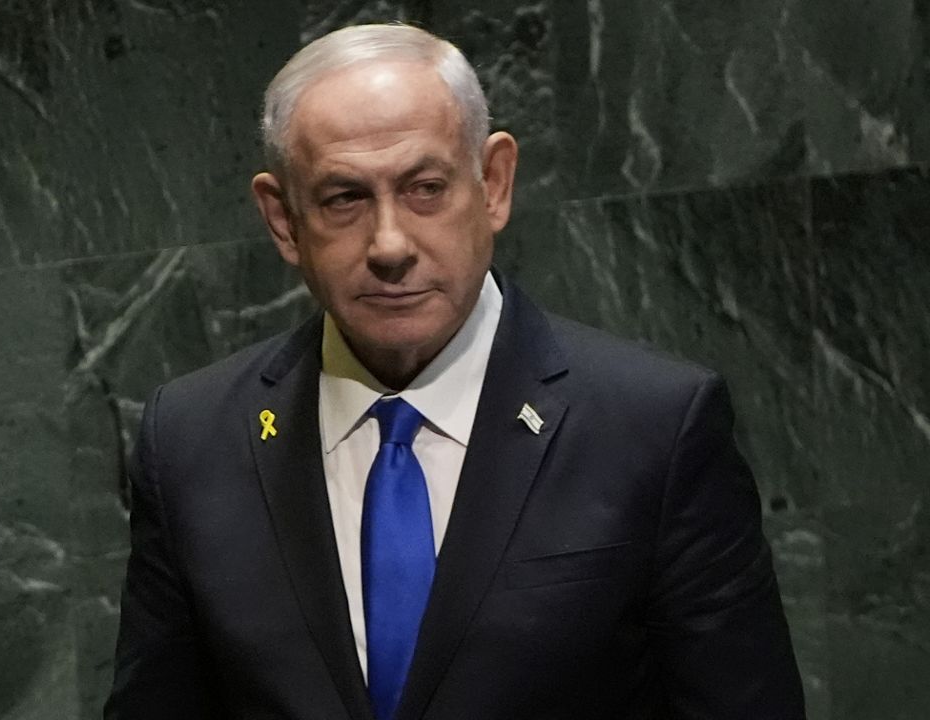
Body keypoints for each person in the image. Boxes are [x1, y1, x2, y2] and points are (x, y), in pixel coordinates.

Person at [105, 23, 805, 720]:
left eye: (425, 188)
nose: (389, 245)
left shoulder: (654, 425)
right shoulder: (192, 441)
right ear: (283, 220)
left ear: (493, 183)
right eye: (344, 198)